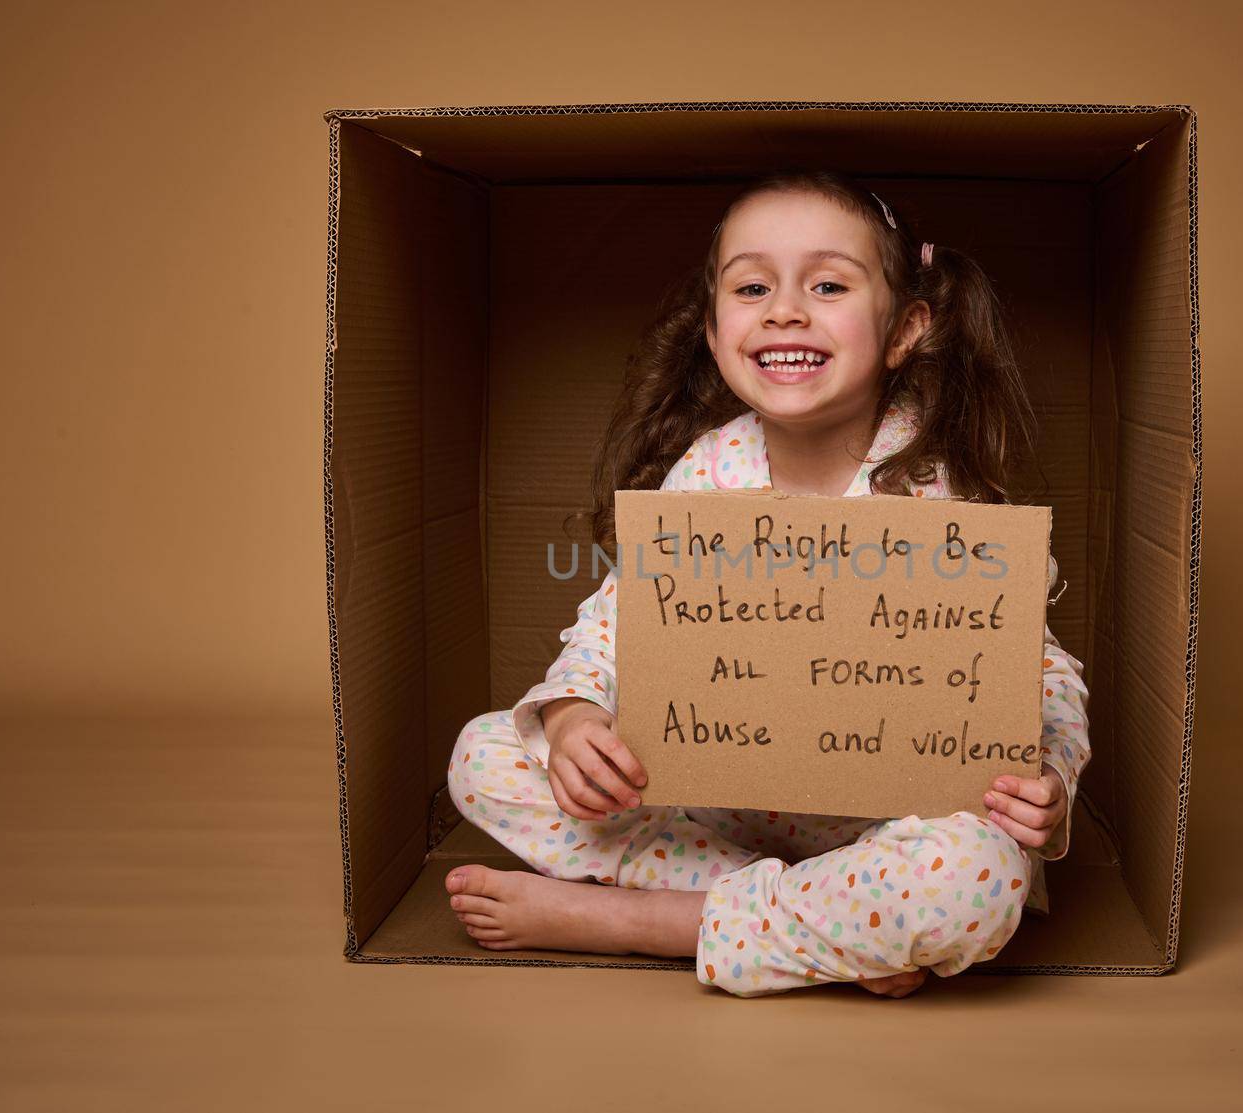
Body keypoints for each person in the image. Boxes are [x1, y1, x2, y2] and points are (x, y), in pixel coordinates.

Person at [444, 171, 1091, 998]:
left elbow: (1042, 673)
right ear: (714, 333)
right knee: (482, 757)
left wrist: (1054, 788)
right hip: (716, 813)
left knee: (973, 880)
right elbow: (618, 623)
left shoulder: (941, 487)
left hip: (898, 826)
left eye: (827, 285)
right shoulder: (706, 472)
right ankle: (829, 925)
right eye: (753, 287)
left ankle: (653, 922)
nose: (785, 310)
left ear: (904, 329)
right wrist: (573, 719)